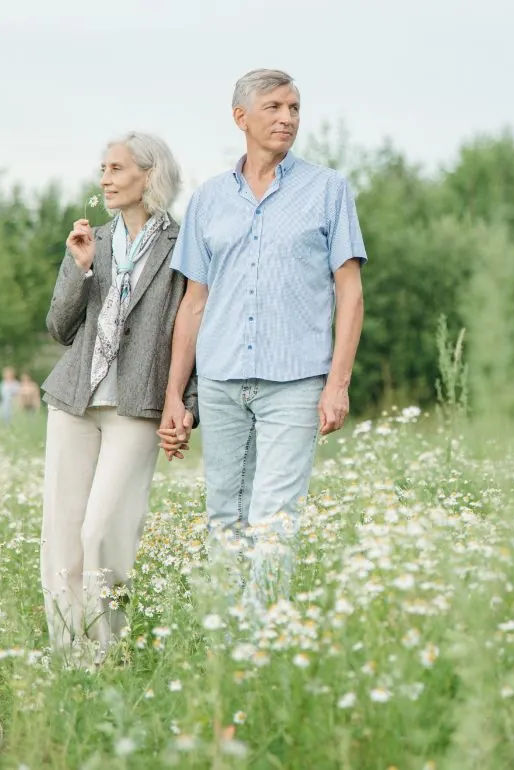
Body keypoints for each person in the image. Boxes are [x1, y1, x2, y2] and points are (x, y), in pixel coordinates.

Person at [161, 68, 367, 607]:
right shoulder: (207, 200)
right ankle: (223, 640)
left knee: (274, 516)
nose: (287, 118)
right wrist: (173, 398)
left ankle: (259, 644)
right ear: (241, 118)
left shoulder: (328, 190)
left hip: (296, 382)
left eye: (295, 108)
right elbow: (193, 304)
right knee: (224, 514)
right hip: (222, 380)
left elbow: (351, 294)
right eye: (274, 107)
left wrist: (337, 384)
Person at [40, 131, 198, 665]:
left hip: (139, 402)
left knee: (104, 528)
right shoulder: (95, 241)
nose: (104, 178)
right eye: (102, 168)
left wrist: (187, 402)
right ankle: (69, 654)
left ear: (147, 177)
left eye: (116, 168)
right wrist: (77, 267)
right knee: (62, 532)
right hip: (74, 401)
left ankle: (107, 654)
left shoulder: (184, 245)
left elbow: (193, 328)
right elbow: (60, 328)